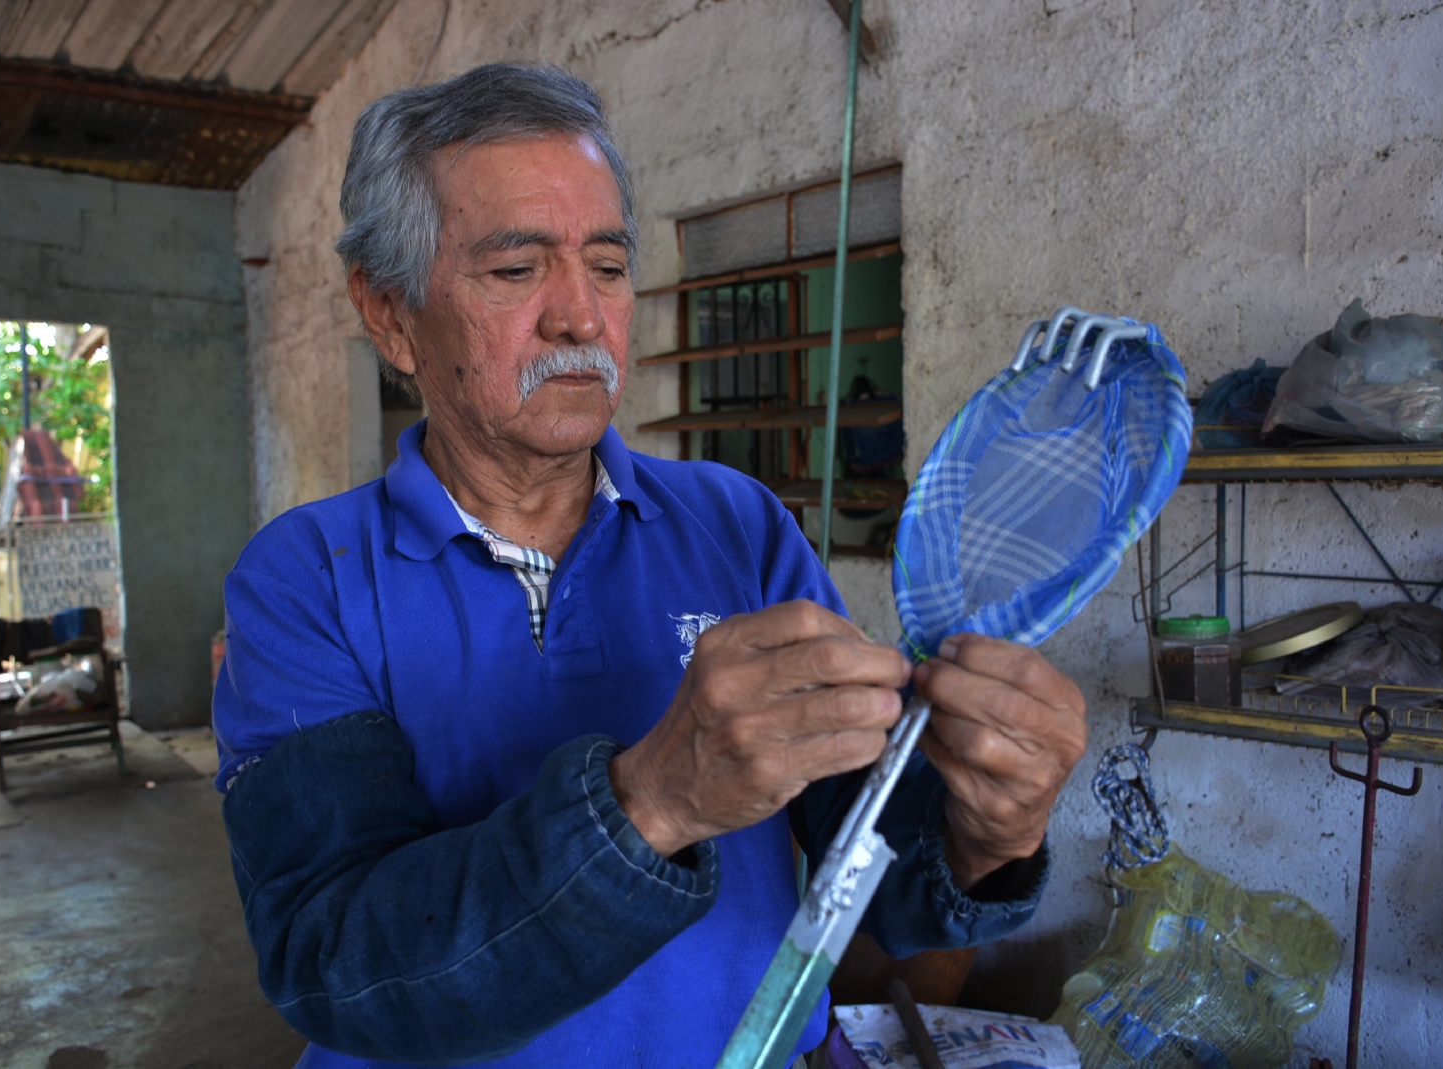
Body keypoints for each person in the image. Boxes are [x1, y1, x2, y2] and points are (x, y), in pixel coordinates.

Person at [213, 64, 1088, 1069]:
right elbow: (336, 963)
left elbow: (873, 867)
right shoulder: (304, 578)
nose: (580, 317)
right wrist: (651, 802)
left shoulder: (738, 524)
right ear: (389, 314)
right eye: (516, 270)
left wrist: (985, 834)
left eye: (609, 265)